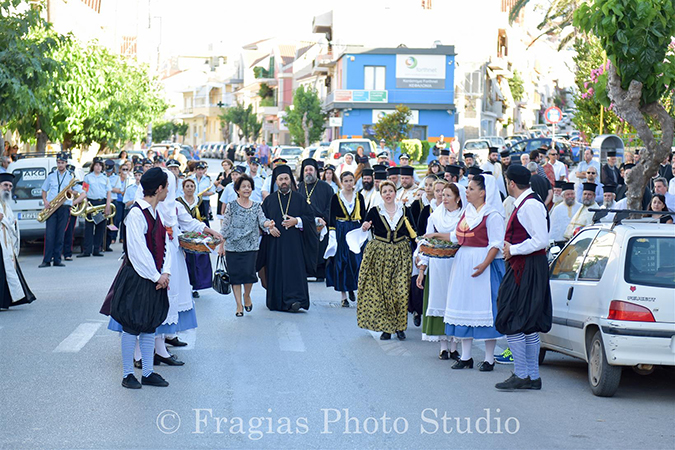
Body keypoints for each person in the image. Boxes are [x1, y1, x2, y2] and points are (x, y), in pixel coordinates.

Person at [107, 168, 172, 389]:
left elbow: (165, 245)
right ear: (160, 188)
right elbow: (137, 252)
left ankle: (148, 372)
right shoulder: (136, 214)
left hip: (155, 277)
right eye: (166, 185)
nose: (168, 190)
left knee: (149, 325)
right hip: (138, 277)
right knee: (132, 326)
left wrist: (166, 272)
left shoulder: (157, 213)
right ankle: (128, 374)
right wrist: (157, 276)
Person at [495, 165, 552, 391]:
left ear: (511, 183)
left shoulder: (530, 205)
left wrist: (514, 249)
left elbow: (541, 240)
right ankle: (530, 376)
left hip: (526, 268)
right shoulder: (528, 203)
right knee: (525, 322)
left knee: (513, 317)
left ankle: (523, 374)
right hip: (526, 267)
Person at [444, 175, 505, 371]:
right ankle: (466, 356)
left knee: (483, 308)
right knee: (464, 306)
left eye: (470, 188)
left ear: (483, 192)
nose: (466, 191)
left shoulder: (492, 214)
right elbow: (456, 236)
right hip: (463, 263)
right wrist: (434, 236)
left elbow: (496, 243)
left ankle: (489, 358)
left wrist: (484, 264)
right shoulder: (467, 212)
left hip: (482, 263)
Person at [357, 181, 417, 340]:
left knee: (401, 290)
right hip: (380, 254)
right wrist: (365, 226)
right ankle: (387, 328)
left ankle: (400, 326)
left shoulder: (404, 210)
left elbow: (413, 231)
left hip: (401, 253)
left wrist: (419, 249)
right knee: (385, 292)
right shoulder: (375, 211)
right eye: (385, 191)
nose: (388, 194)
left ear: (395, 193)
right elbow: (366, 225)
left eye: (391, 191)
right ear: (381, 194)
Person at [257, 165, 319, 312]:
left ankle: (296, 301)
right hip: (275, 245)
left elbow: (310, 218)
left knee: (294, 271)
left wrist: (296, 221)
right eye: (281, 179)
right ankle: (277, 302)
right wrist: (269, 228)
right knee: (276, 271)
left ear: (291, 180)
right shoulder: (269, 201)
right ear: (276, 182)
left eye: (286, 179)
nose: (284, 182)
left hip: (294, 244)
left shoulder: (299, 199)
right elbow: (260, 220)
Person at [416, 182, 465, 360]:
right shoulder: (435, 216)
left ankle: (454, 346)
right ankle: (443, 347)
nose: (444, 199)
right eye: (442, 195)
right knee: (438, 301)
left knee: (454, 302)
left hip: (456, 263)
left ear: (458, 198)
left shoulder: (464, 216)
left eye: (448, 196)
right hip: (437, 265)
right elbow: (426, 243)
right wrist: (422, 269)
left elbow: (462, 240)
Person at [217, 174, 274, 316]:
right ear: (237, 189)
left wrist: (269, 224)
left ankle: (247, 296)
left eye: (249, 186)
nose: (247, 189)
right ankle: (238, 306)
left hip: (251, 247)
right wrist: (220, 245)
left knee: (249, 276)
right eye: (243, 186)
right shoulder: (231, 206)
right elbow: (226, 227)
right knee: (235, 277)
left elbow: (263, 221)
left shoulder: (256, 206)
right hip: (233, 247)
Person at [326, 171, 366, 307]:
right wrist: (332, 235)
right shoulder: (336, 197)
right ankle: (343, 295)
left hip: (355, 230)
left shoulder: (359, 197)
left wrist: (365, 226)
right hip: (341, 230)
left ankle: (352, 287)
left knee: (355, 261)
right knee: (342, 261)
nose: (349, 184)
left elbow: (364, 214)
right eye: (346, 181)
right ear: (342, 182)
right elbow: (331, 217)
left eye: (351, 180)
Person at [39, 153, 85, 267]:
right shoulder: (51, 176)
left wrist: (73, 200)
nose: (60, 165)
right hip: (52, 207)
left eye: (62, 162)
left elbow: (83, 193)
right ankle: (47, 260)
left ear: (66, 163)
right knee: (50, 234)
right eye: (58, 162)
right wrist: (45, 201)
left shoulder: (71, 177)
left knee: (60, 234)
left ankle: (57, 259)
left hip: (64, 207)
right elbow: (44, 190)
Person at [0, 172, 36, 309]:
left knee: (6, 272)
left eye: (10, 186)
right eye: (5, 185)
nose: (8, 188)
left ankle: (5, 301)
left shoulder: (5, 204)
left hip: (5, 244)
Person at [176, 179, 213, 299]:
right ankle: (185, 286)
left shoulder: (199, 201)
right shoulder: (178, 202)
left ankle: (195, 286)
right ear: (183, 188)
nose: (190, 188)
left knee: (198, 261)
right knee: (185, 262)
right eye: (187, 186)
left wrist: (208, 233)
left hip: (197, 234)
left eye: (192, 186)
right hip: (183, 233)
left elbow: (204, 217)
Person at [297, 158, 333, 281]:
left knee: (320, 247)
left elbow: (331, 205)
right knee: (305, 248)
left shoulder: (326, 187)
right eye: (306, 170)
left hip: (321, 224)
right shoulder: (300, 187)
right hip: (305, 223)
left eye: (310, 170)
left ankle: (320, 273)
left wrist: (324, 219)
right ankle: (306, 272)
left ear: (316, 171)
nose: (308, 172)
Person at [79, 158, 112, 258]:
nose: (98, 167)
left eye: (100, 165)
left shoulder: (105, 178)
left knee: (100, 227)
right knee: (89, 227)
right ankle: (87, 250)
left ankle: (97, 249)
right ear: (93, 166)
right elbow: (84, 191)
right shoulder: (87, 177)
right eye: (96, 165)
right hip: (91, 203)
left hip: (101, 202)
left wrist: (107, 206)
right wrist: (85, 203)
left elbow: (109, 192)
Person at [111, 163, 130, 246]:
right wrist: (120, 192)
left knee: (124, 220)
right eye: (123, 169)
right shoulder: (117, 178)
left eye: (126, 169)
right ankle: (113, 237)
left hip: (125, 202)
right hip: (118, 200)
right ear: (120, 170)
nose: (125, 171)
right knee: (116, 219)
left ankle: (122, 237)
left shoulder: (129, 179)